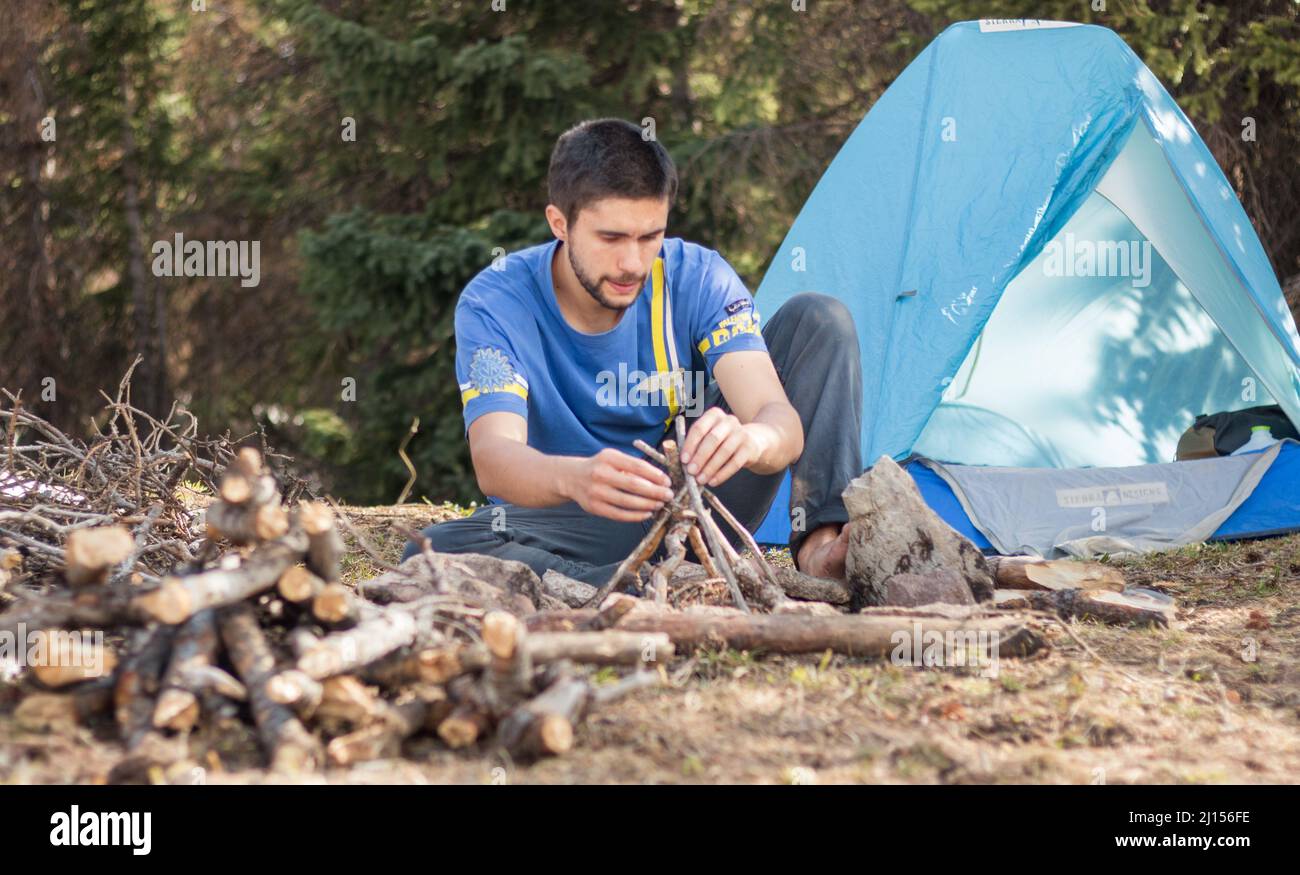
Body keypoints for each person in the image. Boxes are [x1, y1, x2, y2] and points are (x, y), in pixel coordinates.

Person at [402, 118, 862, 586]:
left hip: (693, 498)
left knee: (819, 320)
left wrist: (752, 441)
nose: (632, 263)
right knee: (435, 547)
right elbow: (494, 459)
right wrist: (576, 478)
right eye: (611, 238)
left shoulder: (697, 276)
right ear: (559, 223)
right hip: (575, 517)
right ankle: (642, 583)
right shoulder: (496, 302)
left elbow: (776, 416)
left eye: (649, 237)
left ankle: (821, 545)